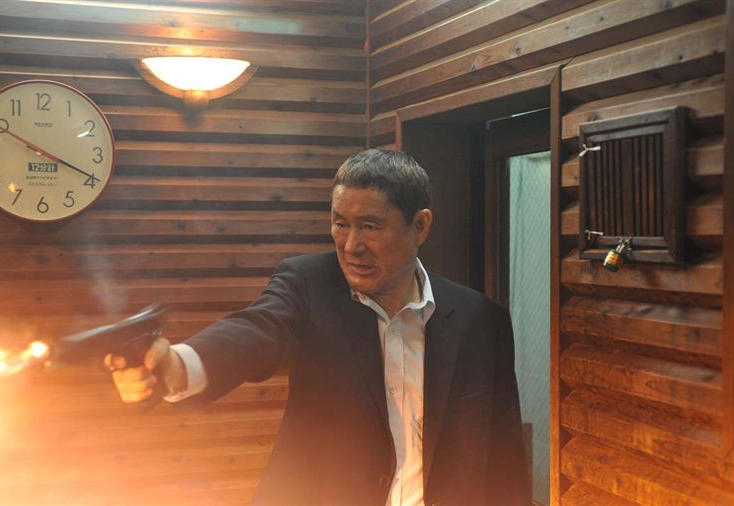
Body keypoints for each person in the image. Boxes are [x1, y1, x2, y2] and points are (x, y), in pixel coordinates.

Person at [108, 148, 528, 506]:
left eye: (370, 226)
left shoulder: (479, 318)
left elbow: (505, 454)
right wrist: (178, 364)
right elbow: (258, 329)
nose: (351, 245)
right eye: (340, 223)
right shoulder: (308, 285)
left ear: (420, 226)